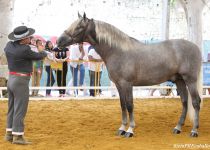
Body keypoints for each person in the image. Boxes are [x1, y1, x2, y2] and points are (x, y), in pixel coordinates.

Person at [4, 26, 47, 144]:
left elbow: (18, 49)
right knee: (20, 109)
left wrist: (28, 44)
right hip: (21, 81)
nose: (31, 38)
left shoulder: (9, 46)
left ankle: (9, 133)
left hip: (11, 79)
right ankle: (18, 136)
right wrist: (40, 48)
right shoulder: (25, 50)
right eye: (29, 37)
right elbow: (41, 55)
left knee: (12, 108)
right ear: (23, 39)